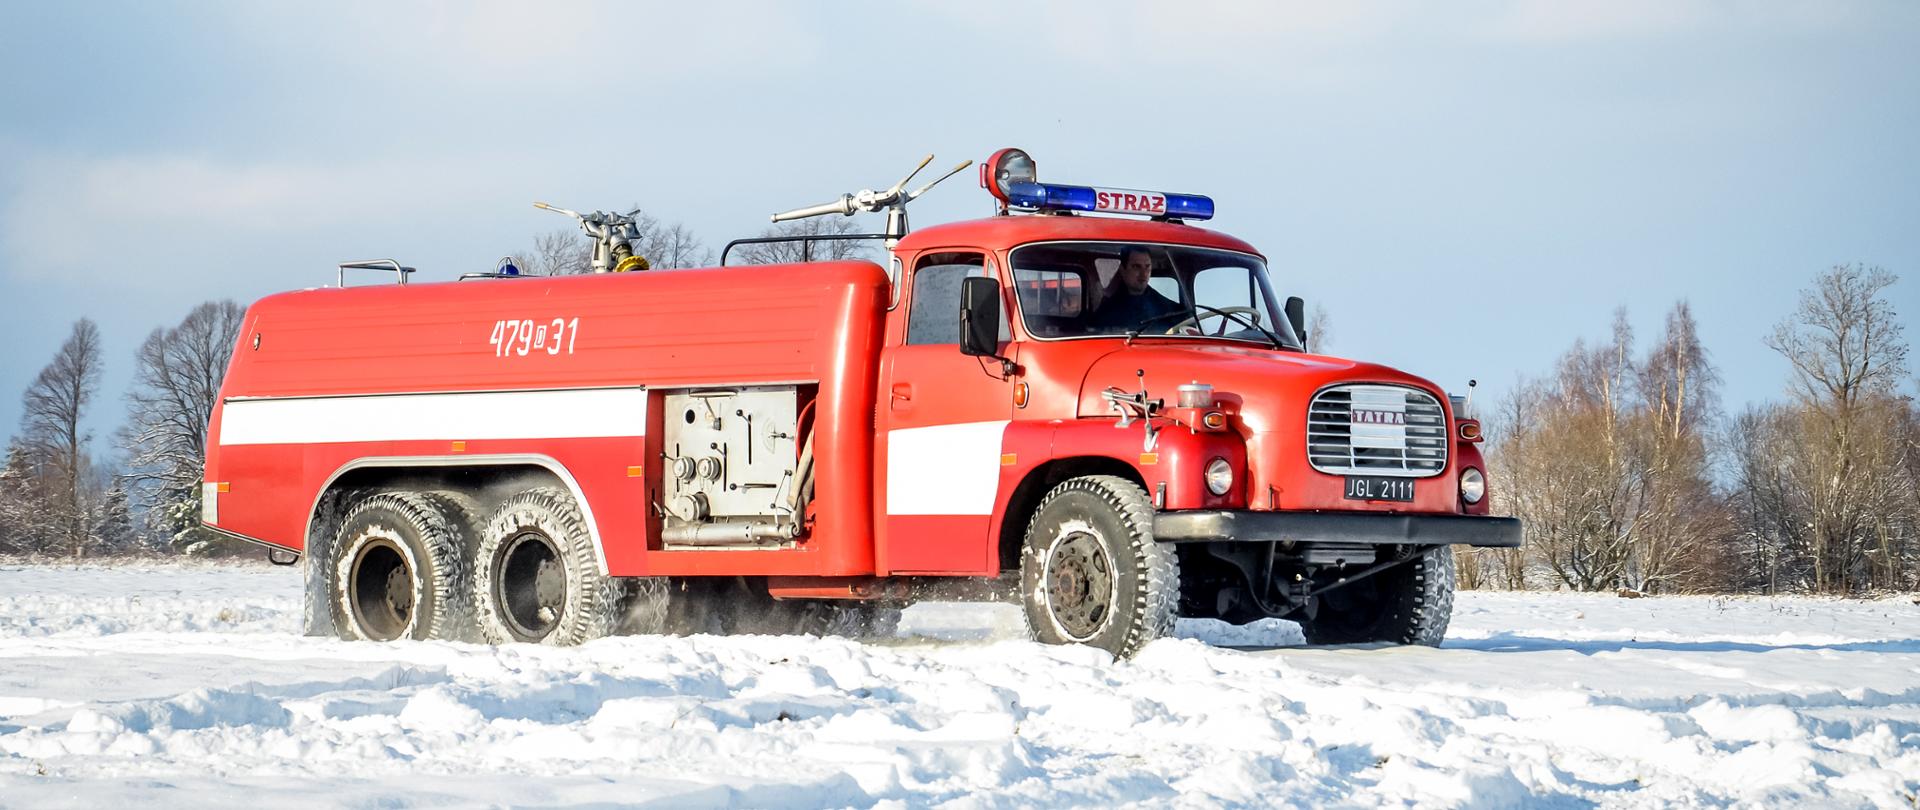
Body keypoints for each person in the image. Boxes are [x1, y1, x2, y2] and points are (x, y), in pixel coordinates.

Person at [1089, 246, 1183, 332]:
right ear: (1123, 270)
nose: (1144, 274)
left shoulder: (1169, 308)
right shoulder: (1106, 312)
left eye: (1147, 266)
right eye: (1136, 267)